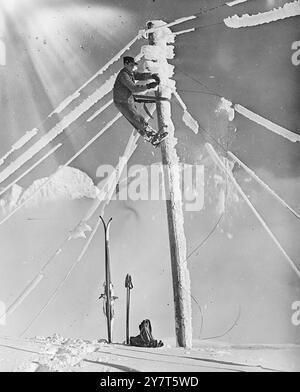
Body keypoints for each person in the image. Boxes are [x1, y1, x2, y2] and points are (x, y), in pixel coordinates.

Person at [113, 56, 168, 146]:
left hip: (127, 99)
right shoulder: (124, 75)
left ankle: (152, 138)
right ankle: (153, 137)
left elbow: (139, 75)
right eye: (131, 65)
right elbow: (134, 88)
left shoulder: (129, 73)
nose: (132, 67)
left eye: (133, 65)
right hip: (122, 101)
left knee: (136, 121)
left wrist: (151, 76)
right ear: (125, 64)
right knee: (137, 118)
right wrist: (148, 86)